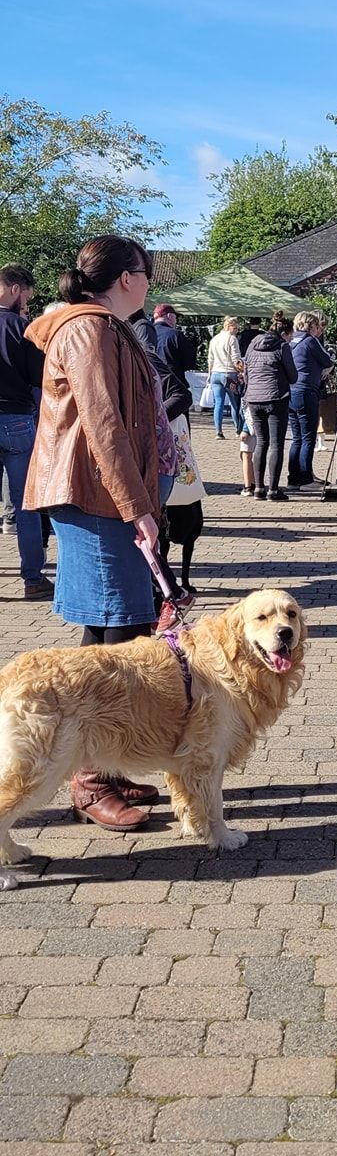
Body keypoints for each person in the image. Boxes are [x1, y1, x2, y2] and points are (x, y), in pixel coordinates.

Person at [24, 235, 161, 831]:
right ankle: (85, 779)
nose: (152, 282)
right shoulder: (88, 329)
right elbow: (104, 421)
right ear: (127, 278)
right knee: (117, 632)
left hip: (99, 495)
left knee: (115, 628)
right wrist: (139, 507)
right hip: (93, 496)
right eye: (147, 272)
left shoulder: (104, 326)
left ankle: (100, 762)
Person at [0, 263, 52, 602]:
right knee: (26, 505)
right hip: (17, 419)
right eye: (27, 294)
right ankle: (32, 578)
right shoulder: (23, 328)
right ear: (16, 288)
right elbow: (39, 382)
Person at [243, 311, 297, 500]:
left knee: (261, 442)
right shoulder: (282, 347)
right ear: (285, 333)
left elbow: (246, 373)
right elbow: (293, 376)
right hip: (276, 398)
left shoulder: (252, 344)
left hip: (254, 398)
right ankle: (273, 489)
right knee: (276, 443)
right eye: (291, 335)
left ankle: (258, 488)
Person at [288, 311, 334, 489]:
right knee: (309, 437)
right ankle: (306, 479)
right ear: (311, 326)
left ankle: (293, 478)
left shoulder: (291, 341)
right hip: (307, 391)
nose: (318, 330)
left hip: (291, 391)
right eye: (317, 326)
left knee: (296, 437)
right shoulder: (310, 341)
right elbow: (328, 361)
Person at [207, 317, 245, 438]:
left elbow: (210, 359)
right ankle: (238, 429)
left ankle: (218, 431)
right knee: (235, 403)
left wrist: (209, 374)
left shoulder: (214, 339)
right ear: (229, 326)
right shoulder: (232, 339)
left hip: (215, 373)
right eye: (236, 328)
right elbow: (236, 358)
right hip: (229, 374)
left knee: (218, 403)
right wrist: (241, 370)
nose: (237, 330)